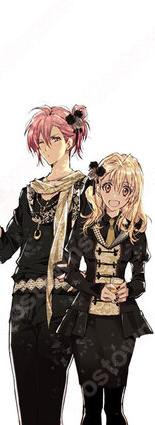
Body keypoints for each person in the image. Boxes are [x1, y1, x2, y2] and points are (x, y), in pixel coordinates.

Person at [0, 105, 91, 424]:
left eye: (54, 139)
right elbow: (5, 250)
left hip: (60, 302)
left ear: (71, 140)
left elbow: (95, 244)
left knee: (49, 397)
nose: (47, 148)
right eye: (41, 142)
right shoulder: (29, 193)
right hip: (22, 303)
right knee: (27, 400)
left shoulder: (84, 190)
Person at [57, 153, 152, 425]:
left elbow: (140, 280)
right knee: (90, 408)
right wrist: (96, 289)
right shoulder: (84, 227)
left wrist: (129, 290)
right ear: (97, 187)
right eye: (108, 187)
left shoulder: (135, 231)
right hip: (85, 321)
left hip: (121, 324)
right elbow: (68, 272)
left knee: (114, 406)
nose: (114, 196)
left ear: (132, 194)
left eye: (124, 190)